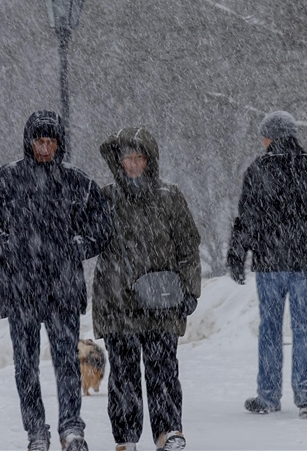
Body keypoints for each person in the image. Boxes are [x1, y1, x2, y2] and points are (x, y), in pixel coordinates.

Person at [0, 110, 112, 451]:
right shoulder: (6, 181)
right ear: (29, 141)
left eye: (50, 141)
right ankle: (36, 430)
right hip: (21, 291)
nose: (44, 148)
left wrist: (81, 246)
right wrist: (4, 244)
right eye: (39, 141)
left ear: (59, 143)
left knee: (68, 362)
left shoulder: (75, 183)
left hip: (62, 289)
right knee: (26, 367)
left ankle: (71, 428)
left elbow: (102, 225)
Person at [227, 111, 307, 419]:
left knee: (270, 331)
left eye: (263, 136)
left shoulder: (258, 170)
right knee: (306, 331)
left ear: (270, 138)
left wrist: (238, 255)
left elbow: (247, 219)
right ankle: (306, 398)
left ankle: (268, 397)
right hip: (305, 264)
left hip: (269, 263)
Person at [92, 128, 201, 451]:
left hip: (163, 298)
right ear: (119, 161)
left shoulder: (170, 197)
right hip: (118, 300)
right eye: (128, 158)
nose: (134, 164)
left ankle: (169, 431)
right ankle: (125, 438)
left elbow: (188, 245)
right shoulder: (105, 198)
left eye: (140, 158)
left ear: (149, 160)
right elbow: (88, 239)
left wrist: (190, 289)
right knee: (123, 374)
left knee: (163, 370)